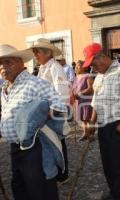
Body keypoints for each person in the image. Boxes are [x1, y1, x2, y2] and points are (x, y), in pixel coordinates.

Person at [0, 44, 67, 200]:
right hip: (15, 148)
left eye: (8, 62)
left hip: (36, 147)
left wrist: (36, 119)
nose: (3, 67)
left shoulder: (35, 83)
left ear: (20, 63)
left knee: (40, 190)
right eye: (1, 63)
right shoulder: (5, 87)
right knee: (20, 188)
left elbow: (60, 108)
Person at [84, 43, 120, 200]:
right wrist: (92, 123)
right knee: (107, 161)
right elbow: (95, 101)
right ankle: (114, 191)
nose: (93, 67)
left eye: (94, 63)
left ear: (102, 57)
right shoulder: (99, 76)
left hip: (118, 123)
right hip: (103, 125)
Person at [30, 38, 70, 183]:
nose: (35, 55)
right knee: (49, 143)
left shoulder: (55, 68)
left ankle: (63, 173)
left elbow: (62, 93)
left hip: (53, 114)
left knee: (58, 143)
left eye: (37, 52)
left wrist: (52, 113)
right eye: (34, 52)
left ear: (47, 53)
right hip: (45, 114)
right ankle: (55, 170)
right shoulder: (42, 68)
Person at [72, 60, 94, 141]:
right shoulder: (77, 76)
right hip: (78, 100)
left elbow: (90, 89)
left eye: (78, 66)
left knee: (87, 118)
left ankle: (90, 134)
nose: (76, 68)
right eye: (75, 66)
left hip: (86, 100)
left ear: (84, 67)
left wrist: (80, 93)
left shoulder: (88, 76)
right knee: (82, 118)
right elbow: (74, 88)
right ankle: (85, 134)